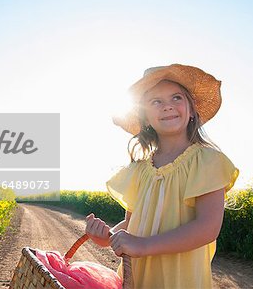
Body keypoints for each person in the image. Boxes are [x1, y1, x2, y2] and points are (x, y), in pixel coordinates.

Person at [85, 64, 239, 289]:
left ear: (192, 109)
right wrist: (107, 237)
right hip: (137, 278)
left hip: (181, 280)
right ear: (145, 116)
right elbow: (132, 223)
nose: (167, 106)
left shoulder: (207, 161)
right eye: (156, 102)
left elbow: (207, 227)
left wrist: (143, 245)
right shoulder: (139, 170)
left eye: (176, 98)